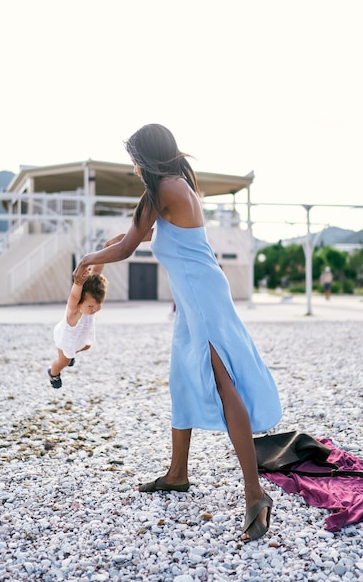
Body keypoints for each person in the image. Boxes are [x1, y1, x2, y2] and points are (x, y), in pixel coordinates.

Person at [73, 124, 282, 542]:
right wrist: (104, 250)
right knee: (183, 379)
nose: (132, 164)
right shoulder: (173, 185)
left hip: (201, 297)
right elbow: (144, 234)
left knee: (224, 384)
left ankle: (255, 495)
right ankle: (177, 473)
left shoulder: (160, 189)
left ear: (145, 157)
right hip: (195, 296)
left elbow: (129, 246)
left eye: (134, 155)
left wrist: (86, 261)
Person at [48, 264, 107, 389]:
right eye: (90, 306)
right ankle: (53, 374)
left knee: (87, 345)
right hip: (65, 338)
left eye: (98, 305)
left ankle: (73, 352)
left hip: (79, 336)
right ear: (79, 302)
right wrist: (78, 283)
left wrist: (106, 250)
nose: (95, 309)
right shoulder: (74, 309)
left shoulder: (90, 301)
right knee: (64, 361)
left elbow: (97, 271)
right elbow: (74, 296)